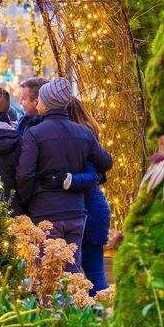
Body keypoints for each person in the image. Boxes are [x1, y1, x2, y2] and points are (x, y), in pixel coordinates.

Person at [16, 77, 112, 271]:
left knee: (48, 272)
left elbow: (25, 174)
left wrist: (27, 201)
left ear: (46, 103)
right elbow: (106, 162)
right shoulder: (83, 133)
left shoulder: (35, 134)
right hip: (76, 212)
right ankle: (74, 302)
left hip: (46, 211)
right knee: (72, 271)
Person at [64, 96, 111, 296]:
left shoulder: (82, 138)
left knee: (94, 276)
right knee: (93, 275)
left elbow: (94, 175)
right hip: (94, 208)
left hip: (91, 210)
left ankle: (99, 321)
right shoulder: (87, 134)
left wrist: (65, 180)